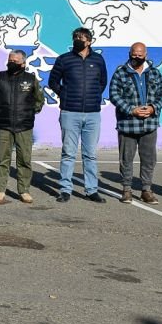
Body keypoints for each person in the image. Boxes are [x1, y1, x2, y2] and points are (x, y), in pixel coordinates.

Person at [48, 27, 108, 203]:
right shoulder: (64, 59)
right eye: (75, 37)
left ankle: (91, 190)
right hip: (70, 112)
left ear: (89, 41)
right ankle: (65, 190)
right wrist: (65, 94)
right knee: (68, 153)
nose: (77, 40)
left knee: (90, 155)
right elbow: (53, 81)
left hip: (92, 114)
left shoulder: (98, 59)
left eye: (81, 38)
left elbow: (102, 82)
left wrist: (93, 96)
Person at [109, 42, 162, 204]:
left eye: (140, 55)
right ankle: (126, 190)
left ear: (146, 55)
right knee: (126, 159)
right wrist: (131, 110)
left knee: (149, 159)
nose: (137, 57)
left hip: (149, 124)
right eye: (134, 54)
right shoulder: (120, 73)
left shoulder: (154, 73)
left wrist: (153, 107)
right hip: (127, 124)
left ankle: (146, 190)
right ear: (129, 54)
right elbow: (114, 95)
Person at [0, 50, 44, 204]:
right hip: (4, 126)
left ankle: (24, 191)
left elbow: (39, 100)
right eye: (10, 60)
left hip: (24, 126)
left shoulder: (31, 79)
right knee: (2, 159)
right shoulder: (0, 77)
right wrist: (1, 111)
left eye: (15, 61)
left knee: (24, 159)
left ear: (23, 63)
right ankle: (0, 190)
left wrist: (29, 113)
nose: (11, 63)